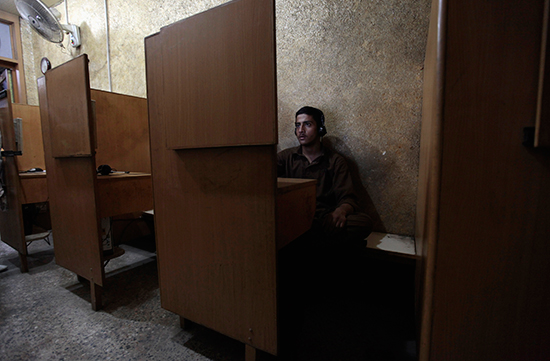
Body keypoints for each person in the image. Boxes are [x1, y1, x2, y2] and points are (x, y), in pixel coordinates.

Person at [277, 106, 373, 252]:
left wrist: (341, 211)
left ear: (320, 129)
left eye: (307, 124)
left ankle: (306, 241)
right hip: (295, 217)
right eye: (297, 125)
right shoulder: (285, 157)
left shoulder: (335, 161)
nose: (301, 130)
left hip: (324, 219)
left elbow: (349, 199)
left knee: (364, 223)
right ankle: (315, 243)